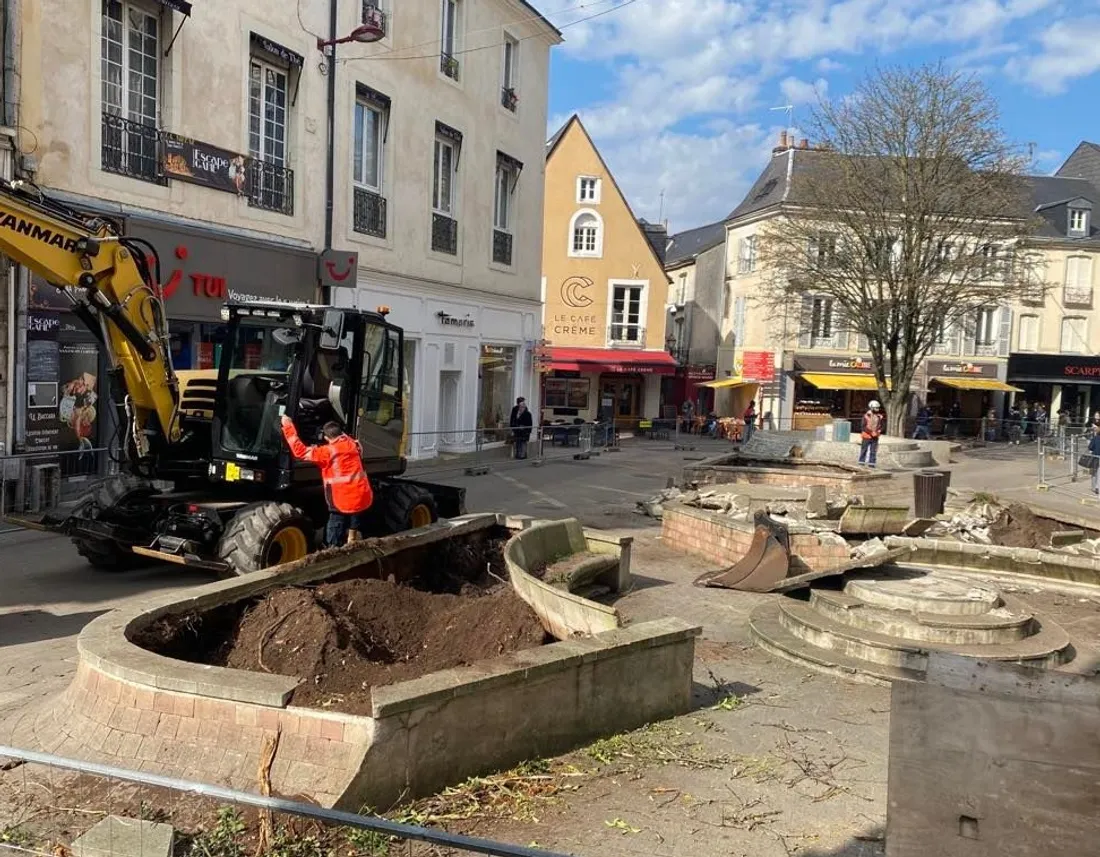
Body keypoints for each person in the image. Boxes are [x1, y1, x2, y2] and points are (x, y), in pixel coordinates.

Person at [280, 416, 373, 547]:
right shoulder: (354, 444)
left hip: (341, 498)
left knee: (335, 523)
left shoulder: (326, 452)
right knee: (355, 515)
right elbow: (347, 439)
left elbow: (300, 452)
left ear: (326, 438)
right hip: (361, 493)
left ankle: (332, 549)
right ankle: (352, 540)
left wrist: (288, 425)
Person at [859, 400, 884, 467]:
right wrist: (871, 432)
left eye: (878, 408)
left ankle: (872, 465)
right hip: (866, 436)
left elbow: (881, 426)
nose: (877, 409)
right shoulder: (866, 416)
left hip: (875, 437)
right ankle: (861, 464)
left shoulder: (879, 417)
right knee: (864, 450)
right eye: (876, 408)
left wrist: (878, 432)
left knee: (873, 451)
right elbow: (863, 427)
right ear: (871, 407)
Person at [1088, 424, 1100, 495]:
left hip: (1095, 457)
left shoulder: (1096, 438)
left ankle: (1094, 487)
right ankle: (1098, 487)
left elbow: (1090, 447)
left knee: (1094, 473)